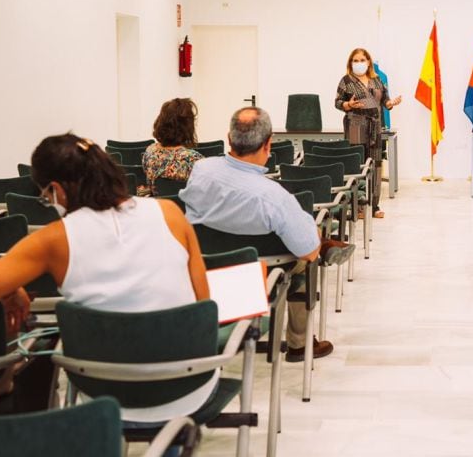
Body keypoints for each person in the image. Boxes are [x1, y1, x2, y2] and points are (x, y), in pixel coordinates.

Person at [0, 133, 213, 421]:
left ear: (57, 190)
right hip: (188, 384)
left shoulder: (53, 240)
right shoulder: (170, 213)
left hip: (102, 390)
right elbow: (203, 302)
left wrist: (11, 290)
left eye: (45, 196)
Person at [180, 106, 353, 362]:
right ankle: (299, 344)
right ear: (269, 143)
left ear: (229, 139)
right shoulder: (275, 197)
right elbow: (307, 252)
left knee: (300, 236)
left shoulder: (201, 170)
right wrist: (311, 236)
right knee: (308, 256)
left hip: (205, 266)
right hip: (261, 273)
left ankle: (320, 238)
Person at [335, 48, 402, 219]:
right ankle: (357, 206)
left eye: (362, 60)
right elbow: (337, 102)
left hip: (375, 128)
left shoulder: (376, 79)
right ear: (351, 63)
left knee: (375, 165)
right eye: (355, 60)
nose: (359, 63)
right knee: (357, 166)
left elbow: (385, 99)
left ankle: (374, 205)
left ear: (369, 62)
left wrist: (390, 103)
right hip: (355, 127)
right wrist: (348, 105)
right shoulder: (346, 81)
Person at [143, 97, 204, 195]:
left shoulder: (150, 151)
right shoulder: (194, 160)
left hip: (161, 208)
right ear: (187, 126)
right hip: (186, 209)